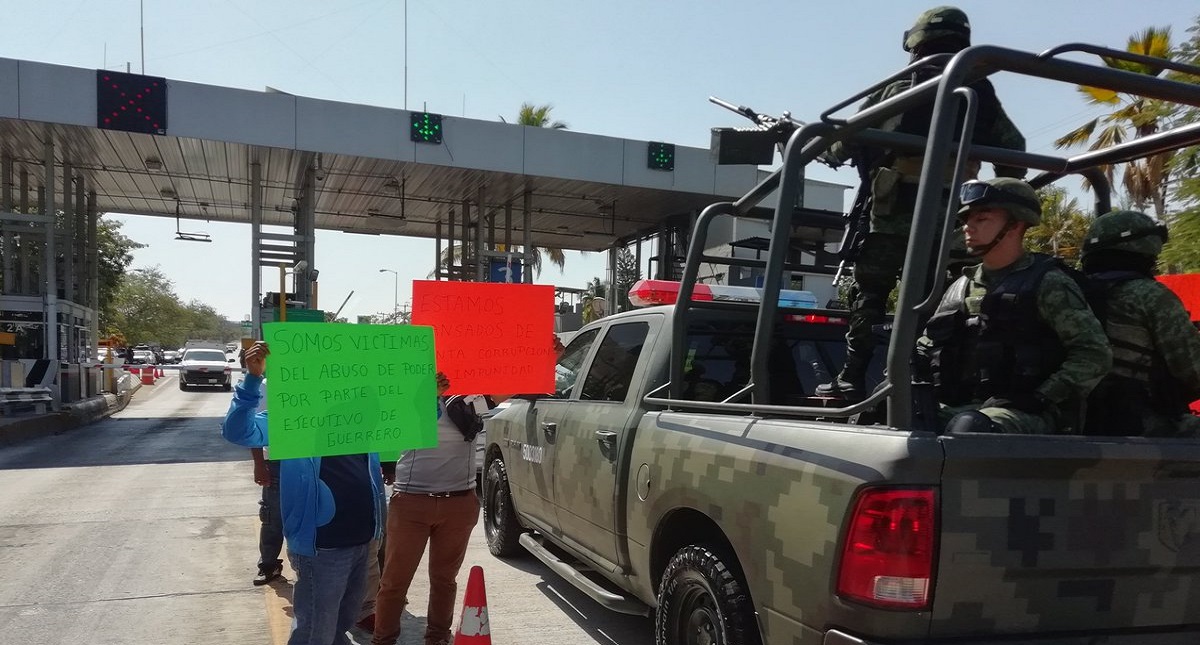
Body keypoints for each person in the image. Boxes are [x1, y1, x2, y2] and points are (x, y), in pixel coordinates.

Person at [817, 5, 1027, 400]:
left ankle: (850, 379)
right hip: (952, 220)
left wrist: (823, 149)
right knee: (936, 298)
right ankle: (917, 375)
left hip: (892, 214)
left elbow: (844, 143)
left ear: (916, 41)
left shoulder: (901, 84)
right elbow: (1015, 155)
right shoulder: (979, 89)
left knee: (870, 294)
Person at [914, 178, 1112, 434]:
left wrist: (1041, 396)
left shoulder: (1047, 282)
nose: (968, 228)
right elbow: (928, 346)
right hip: (963, 406)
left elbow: (1094, 354)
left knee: (970, 428)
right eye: (966, 220)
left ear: (1015, 224)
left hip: (1032, 413)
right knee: (892, 415)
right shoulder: (960, 286)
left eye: (981, 219)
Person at [222, 342, 386, 645]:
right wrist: (253, 380)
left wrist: (429, 395)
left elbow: (413, 425)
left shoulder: (364, 415)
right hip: (323, 546)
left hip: (363, 541)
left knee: (341, 624)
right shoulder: (295, 418)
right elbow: (237, 431)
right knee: (314, 632)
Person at [372, 372, 484, 645]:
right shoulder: (407, 389)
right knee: (394, 582)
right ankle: (383, 639)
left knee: (445, 580)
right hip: (412, 502)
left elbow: (514, 384)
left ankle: (437, 638)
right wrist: (428, 397)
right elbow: (407, 427)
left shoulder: (474, 394)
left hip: (459, 502)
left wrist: (546, 358)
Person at [1079, 210, 1200, 437]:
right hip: (1139, 424)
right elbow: (1193, 369)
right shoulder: (1150, 295)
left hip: (1072, 420)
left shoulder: (1068, 290)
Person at [250, 446, 284, 586]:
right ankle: (268, 565)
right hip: (277, 461)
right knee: (273, 517)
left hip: (317, 459)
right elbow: (254, 428)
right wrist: (259, 463)